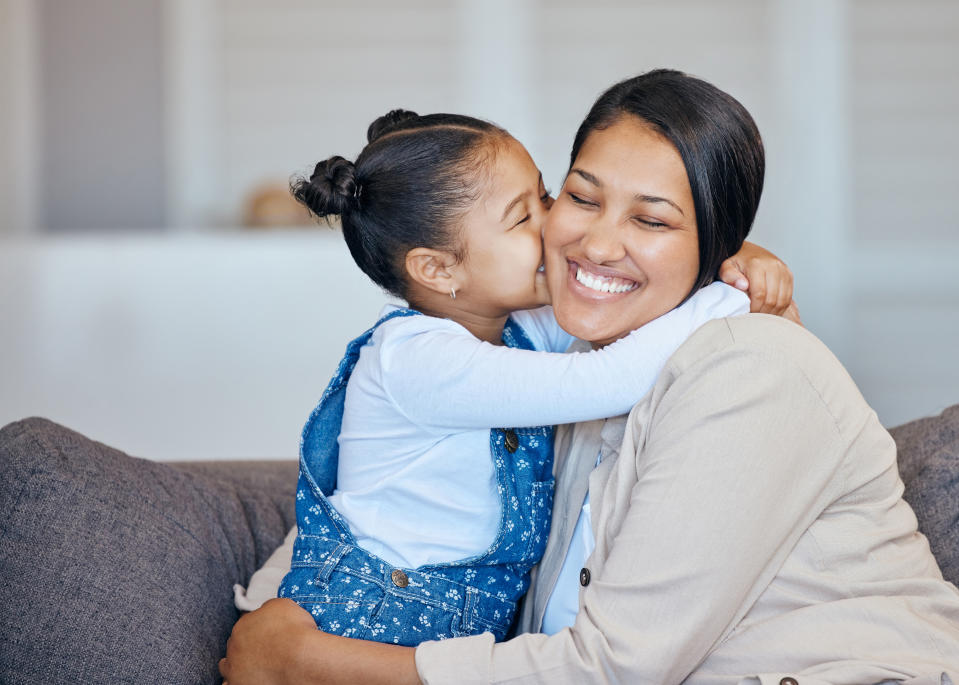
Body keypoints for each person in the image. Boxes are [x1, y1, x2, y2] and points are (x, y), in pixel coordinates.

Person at [220, 70, 959, 684]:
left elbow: (615, 668)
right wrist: (279, 613)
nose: (596, 242)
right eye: (577, 196)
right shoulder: (558, 356)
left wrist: (314, 659)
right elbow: (390, 506)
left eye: (654, 220)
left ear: (713, 243)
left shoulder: (749, 368)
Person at [269, 109, 794, 645]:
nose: (559, 225)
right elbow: (610, 377)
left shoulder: (511, 329)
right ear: (438, 269)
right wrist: (728, 295)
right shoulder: (418, 361)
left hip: (458, 623)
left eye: (547, 198)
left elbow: (628, 305)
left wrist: (731, 253)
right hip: (376, 616)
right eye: (523, 218)